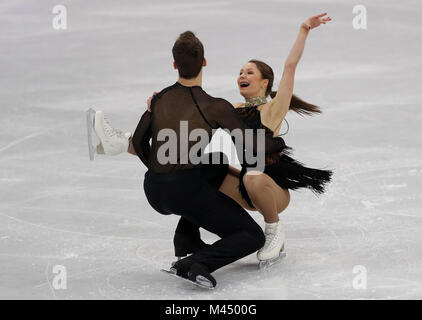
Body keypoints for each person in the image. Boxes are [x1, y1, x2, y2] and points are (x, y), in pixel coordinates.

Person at [92, 13, 333, 269]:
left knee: (252, 176)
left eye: (250, 72)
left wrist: (304, 30)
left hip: (270, 189)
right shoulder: (233, 107)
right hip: (245, 185)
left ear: (265, 82)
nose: (242, 75)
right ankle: (185, 235)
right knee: (209, 164)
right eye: (240, 71)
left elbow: (289, 67)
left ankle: (274, 230)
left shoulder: (273, 108)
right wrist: (161, 105)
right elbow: (191, 118)